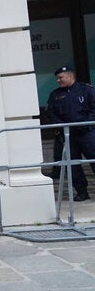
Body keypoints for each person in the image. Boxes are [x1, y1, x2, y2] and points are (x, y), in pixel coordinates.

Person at [45, 66, 95, 201]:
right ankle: (82, 192)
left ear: (70, 76)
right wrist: (62, 127)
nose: (58, 80)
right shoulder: (55, 95)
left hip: (87, 133)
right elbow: (51, 113)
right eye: (57, 78)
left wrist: (85, 124)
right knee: (72, 165)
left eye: (60, 77)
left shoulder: (86, 90)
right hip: (68, 135)